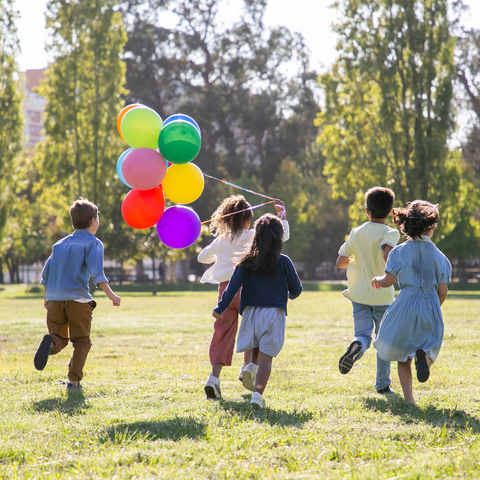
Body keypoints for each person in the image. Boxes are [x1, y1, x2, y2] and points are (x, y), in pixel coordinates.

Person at [198, 195, 289, 400]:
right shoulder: (253, 235)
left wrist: (220, 250)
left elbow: (201, 257)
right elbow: (281, 236)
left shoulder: (221, 240)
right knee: (254, 330)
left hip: (225, 293)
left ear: (226, 219)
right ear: (248, 218)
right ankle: (248, 367)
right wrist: (281, 215)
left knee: (221, 334)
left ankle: (213, 378)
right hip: (248, 290)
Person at [212, 213, 302, 409]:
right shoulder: (284, 261)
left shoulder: (246, 261)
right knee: (266, 358)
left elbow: (232, 288)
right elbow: (297, 288)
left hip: (251, 313)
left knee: (255, 345)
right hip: (274, 314)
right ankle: (257, 395)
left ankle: (250, 366)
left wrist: (220, 307)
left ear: (256, 236)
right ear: (279, 237)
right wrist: (289, 295)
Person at [34, 198, 121, 391]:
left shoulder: (60, 244)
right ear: (92, 221)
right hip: (78, 300)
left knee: (59, 337)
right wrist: (112, 295)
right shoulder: (93, 243)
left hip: (55, 299)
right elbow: (98, 274)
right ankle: (73, 382)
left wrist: (47, 297)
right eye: (97, 218)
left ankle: (50, 344)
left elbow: (45, 273)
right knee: (81, 341)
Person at [371, 200, 451, 405]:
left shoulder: (398, 251)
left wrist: (376, 280)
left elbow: (388, 281)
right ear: (432, 227)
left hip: (405, 303)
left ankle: (409, 401)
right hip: (431, 304)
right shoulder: (441, 257)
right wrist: (435, 306)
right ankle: (425, 360)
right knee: (431, 345)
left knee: (402, 354)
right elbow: (443, 290)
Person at [336, 187, 400, 394]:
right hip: (382, 295)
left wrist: (357, 260)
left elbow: (340, 262)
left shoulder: (356, 232)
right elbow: (387, 253)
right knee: (383, 340)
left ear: (367, 210)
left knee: (362, 334)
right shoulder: (391, 232)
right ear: (390, 212)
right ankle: (382, 384)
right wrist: (387, 273)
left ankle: (357, 345)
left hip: (359, 294)